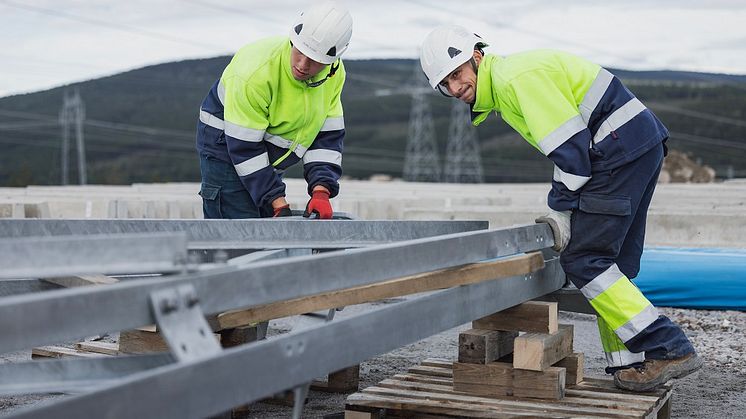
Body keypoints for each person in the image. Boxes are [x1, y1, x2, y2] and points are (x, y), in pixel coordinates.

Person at [420, 25, 702, 391]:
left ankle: (667, 346)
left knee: (586, 259)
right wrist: (566, 204)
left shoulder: (513, 81)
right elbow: (572, 152)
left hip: (618, 148)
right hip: (638, 144)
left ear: (476, 57)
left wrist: (560, 209)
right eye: (446, 84)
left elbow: (573, 156)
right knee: (611, 265)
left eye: (456, 74)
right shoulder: (509, 82)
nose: (455, 89)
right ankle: (630, 363)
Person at [196, 1, 352, 219]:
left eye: (315, 61)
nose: (303, 65)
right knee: (240, 231)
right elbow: (245, 147)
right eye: (300, 51)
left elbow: (326, 136)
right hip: (225, 146)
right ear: (293, 39)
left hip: (268, 155)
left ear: (332, 61)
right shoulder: (254, 72)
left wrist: (321, 190)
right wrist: (276, 201)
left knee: (264, 225)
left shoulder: (334, 75)